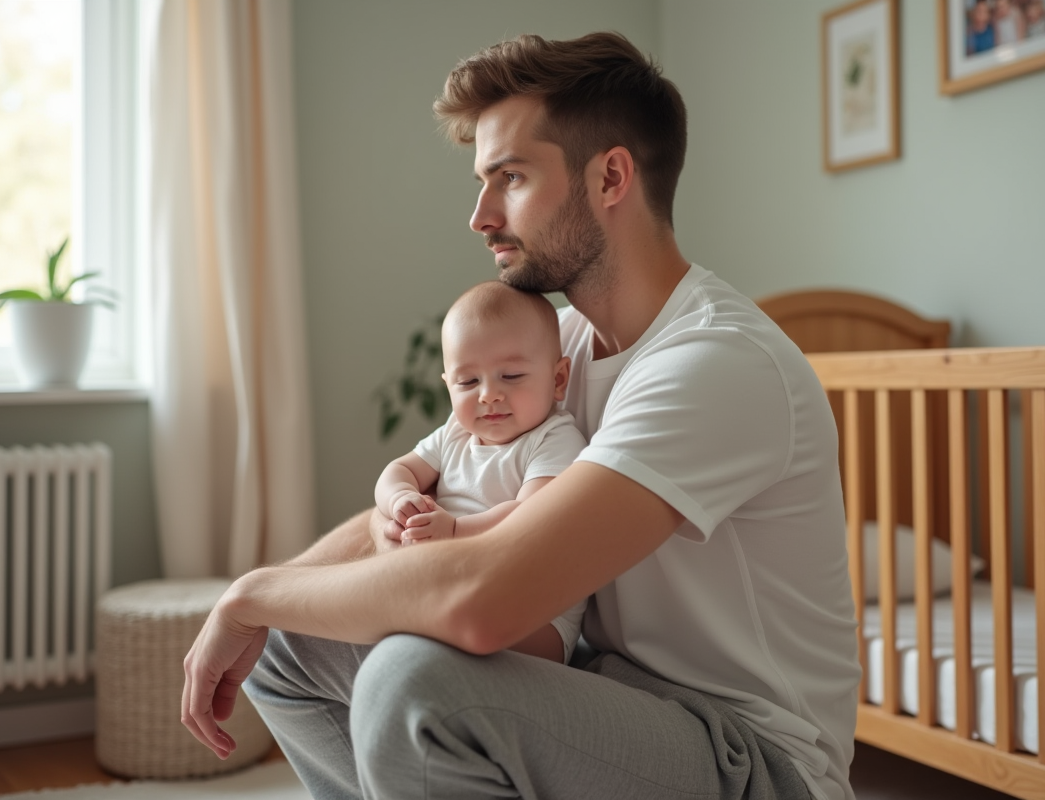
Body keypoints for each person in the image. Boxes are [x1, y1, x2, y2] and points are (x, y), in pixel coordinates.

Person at [182, 31, 860, 800]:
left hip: (749, 756)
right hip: (598, 691)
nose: (479, 214)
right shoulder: (558, 349)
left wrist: (249, 595)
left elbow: (481, 606)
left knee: (416, 682)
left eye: (509, 177)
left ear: (610, 176)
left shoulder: (716, 363)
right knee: (290, 637)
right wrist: (275, 592)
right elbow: (434, 491)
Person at [374, 280, 588, 664]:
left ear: (557, 379)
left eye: (511, 376)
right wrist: (400, 498)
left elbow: (531, 516)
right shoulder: (455, 433)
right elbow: (399, 469)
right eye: (468, 382)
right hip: (456, 580)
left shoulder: (555, 439)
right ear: (449, 387)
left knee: (422, 617)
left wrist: (454, 531)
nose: (488, 394)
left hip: (535, 616)